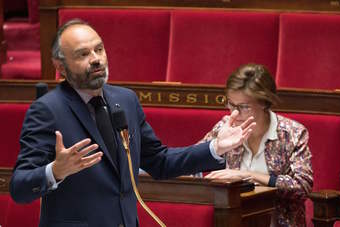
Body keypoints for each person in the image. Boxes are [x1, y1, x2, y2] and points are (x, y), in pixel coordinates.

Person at [9, 19, 255, 227]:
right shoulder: (47, 111)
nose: (95, 59)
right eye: (83, 54)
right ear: (60, 67)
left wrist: (215, 148)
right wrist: (55, 171)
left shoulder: (125, 100)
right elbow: (19, 188)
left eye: (99, 50)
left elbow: (159, 162)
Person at [201, 63, 313, 226]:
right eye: (231, 104)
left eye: (244, 107)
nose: (234, 113)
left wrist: (246, 175)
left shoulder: (292, 133)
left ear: (264, 103)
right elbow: (194, 162)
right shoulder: (225, 127)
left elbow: (302, 187)